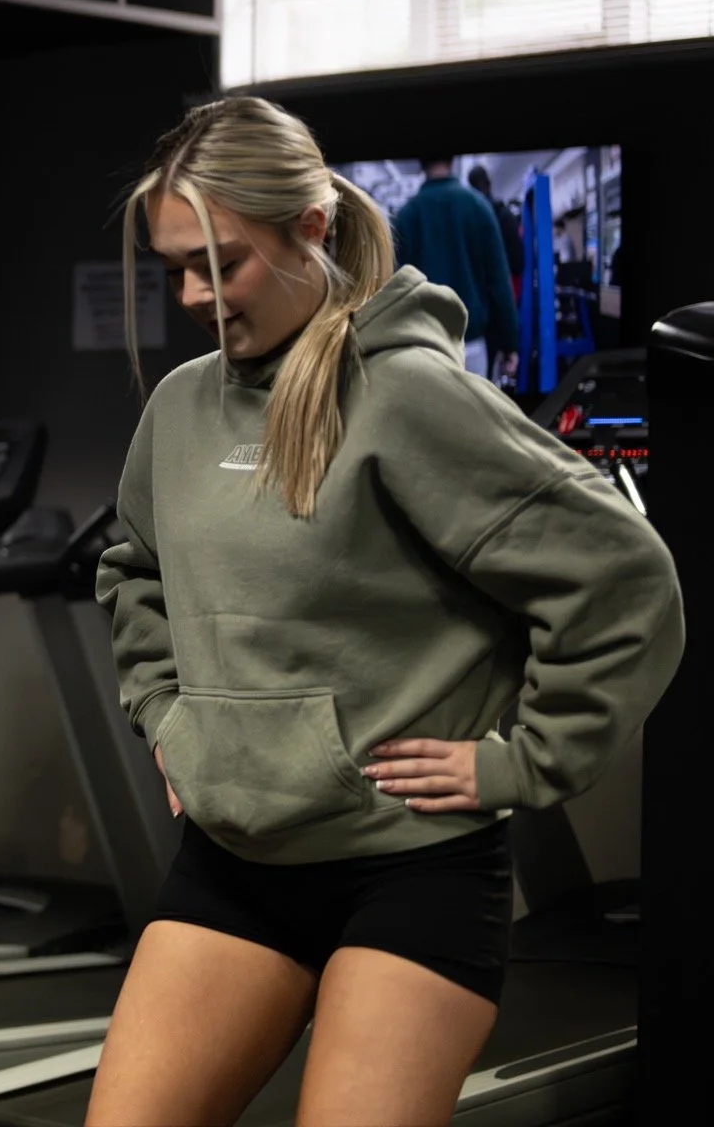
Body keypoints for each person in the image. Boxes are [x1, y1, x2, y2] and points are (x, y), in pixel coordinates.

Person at [90, 96, 681, 1127]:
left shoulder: (408, 396)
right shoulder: (179, 405)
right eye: (174, 269)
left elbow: (621, 579)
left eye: (219, 264)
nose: (192, 296)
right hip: (233, 866)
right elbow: (133, 569)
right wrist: (167, 715)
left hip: (409, 872)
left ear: (310, 228)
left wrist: (522, 763)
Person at [392, 157, 519, 378]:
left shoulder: (406, 216)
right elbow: (498, 282)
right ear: (454, 159)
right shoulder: (479, 207)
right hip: (471, 346)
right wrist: (510, 343)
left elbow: (395, 291)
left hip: (424, 348)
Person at [467, 164, 525, 301]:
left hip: (491, 287)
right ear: (489, 184)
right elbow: (518, 260)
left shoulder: (476, 217)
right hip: (508, 284)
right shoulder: (504, 214)